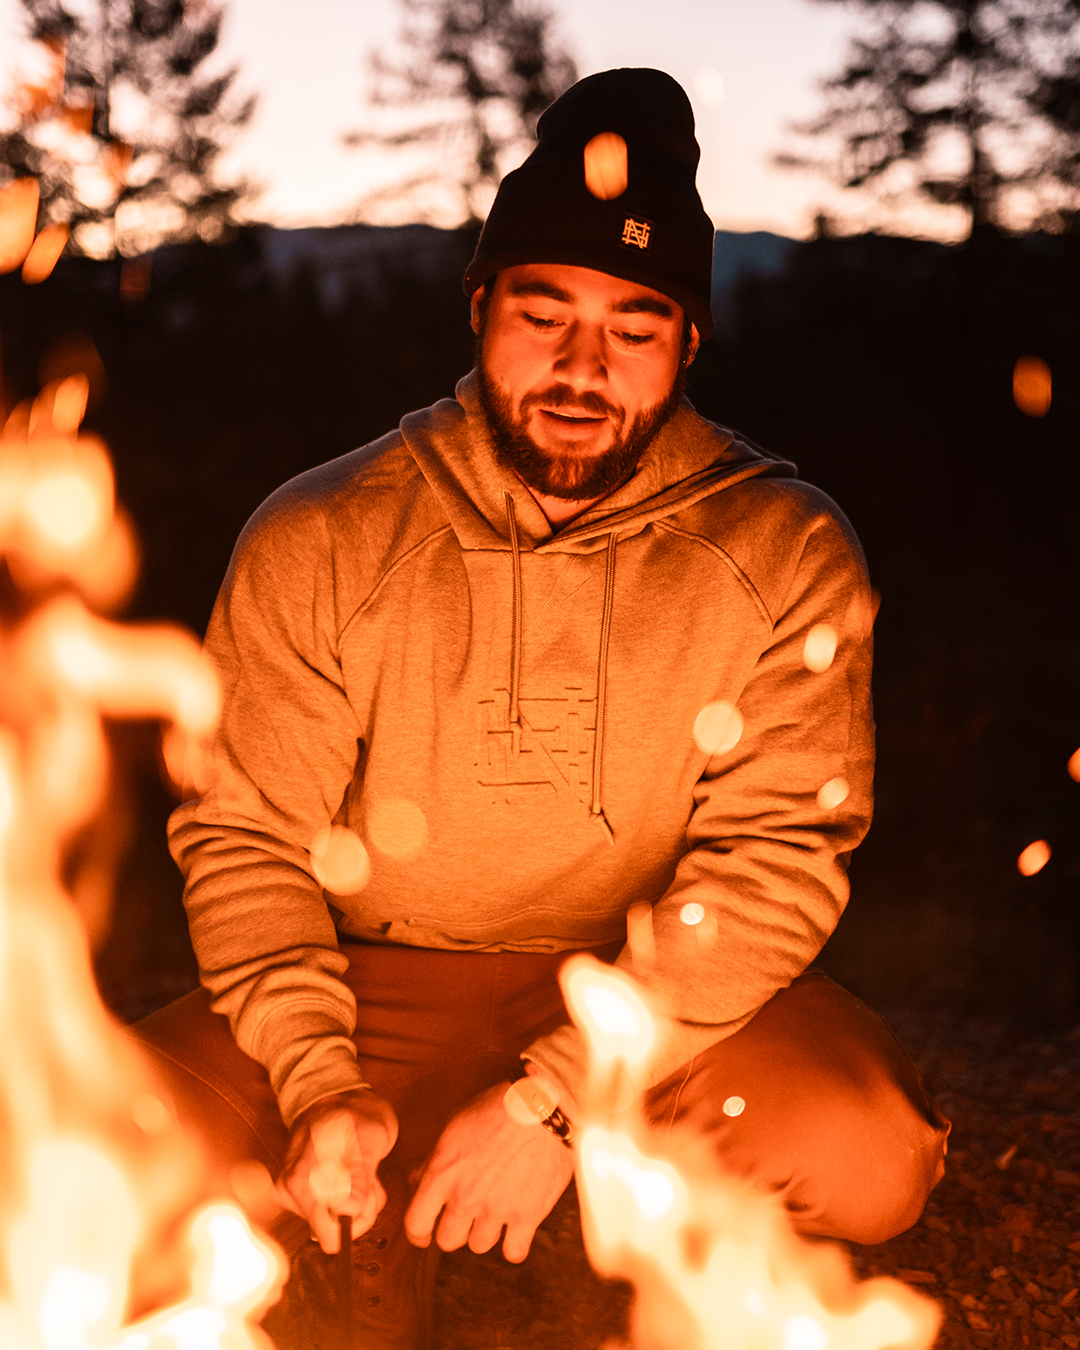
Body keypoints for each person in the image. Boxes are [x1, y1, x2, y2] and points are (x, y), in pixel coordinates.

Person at [136, 67, 948, 1350]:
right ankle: (363, 1217)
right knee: (79, 1161)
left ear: (689, 342)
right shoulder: (323, 537)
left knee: (867, 1155)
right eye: (543, 313)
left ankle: (641, 1279)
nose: (583, 368)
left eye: (635, 326)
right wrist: (319, 1077)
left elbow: (777, 859)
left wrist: (559, 1104)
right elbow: (244, 840)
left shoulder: (785, 550)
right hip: (365, 977)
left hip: (641, 983)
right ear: (478, 308)